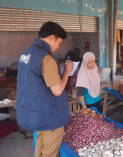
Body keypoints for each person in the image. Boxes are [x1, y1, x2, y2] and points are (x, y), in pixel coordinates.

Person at [16, 21, 73, 157]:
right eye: (59, 42)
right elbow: (57, 91)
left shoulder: (27, 53)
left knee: (39, 151)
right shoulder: (46, 58)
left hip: (35, 115)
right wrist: (66, 72)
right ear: (52, 37)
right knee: (49, 153)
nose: (58, 47)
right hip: (49, 118)